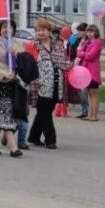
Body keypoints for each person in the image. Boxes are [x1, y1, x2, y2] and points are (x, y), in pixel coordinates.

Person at [27, 19, 71, 149]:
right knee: (44, 112)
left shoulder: (57, 44)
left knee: (45, 111)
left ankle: (34, 136)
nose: (41, 33)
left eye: (43, 30)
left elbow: (62, 60)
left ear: (49, 31)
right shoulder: (32, 45)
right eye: (38, 30)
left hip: (56, 83)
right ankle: (51, 139)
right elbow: (30, 64)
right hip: (40, 84)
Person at [0, 20, 24, 157]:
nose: (7, 30)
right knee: (5, 114)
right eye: (4, 27)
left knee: (1, 116)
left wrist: (16, 54)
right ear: (0, 29)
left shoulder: (17, 44)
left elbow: (23, 63)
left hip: (13, 83)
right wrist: (3, 74)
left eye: (10, 27)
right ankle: (14, 148)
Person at [75, 24, 103, 121]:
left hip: (93, 69)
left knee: (93, 92)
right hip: (85, 69)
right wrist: (83, 54)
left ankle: (94, 115)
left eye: (91, 32)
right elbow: (78, 53)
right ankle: (90, 114)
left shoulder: (97, 42)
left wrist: (83, 54)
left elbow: (90, 56)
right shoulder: (86, 42)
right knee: (89, 93)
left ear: (96, 32)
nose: (89, 34)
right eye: (88, 32)